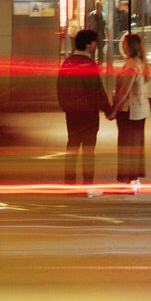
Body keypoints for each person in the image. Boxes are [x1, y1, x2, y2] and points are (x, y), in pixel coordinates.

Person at [56, 29, 112, 187]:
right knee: (88, 152)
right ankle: (87, 185)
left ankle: (70, 184)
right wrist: (109, 111)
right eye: (94, 42)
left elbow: (60, 89)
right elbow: (98, 92)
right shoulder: (89, 64)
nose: (95, 45)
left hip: (72, 114)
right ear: (88, 45)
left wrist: (66, 107)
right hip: (89, 115)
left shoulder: (67, 63)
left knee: (72, 147)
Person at [109, 32, 151, 185]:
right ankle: (134, 176)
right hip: (141, 110)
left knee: (126, 145)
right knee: (136, 145)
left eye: (125, 43)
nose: (122, 45)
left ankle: (128, 177)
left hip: (130, 110)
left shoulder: (132, 65)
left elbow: (125, 89)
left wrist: (115, 108)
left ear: (131, 46)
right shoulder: (140, 62)